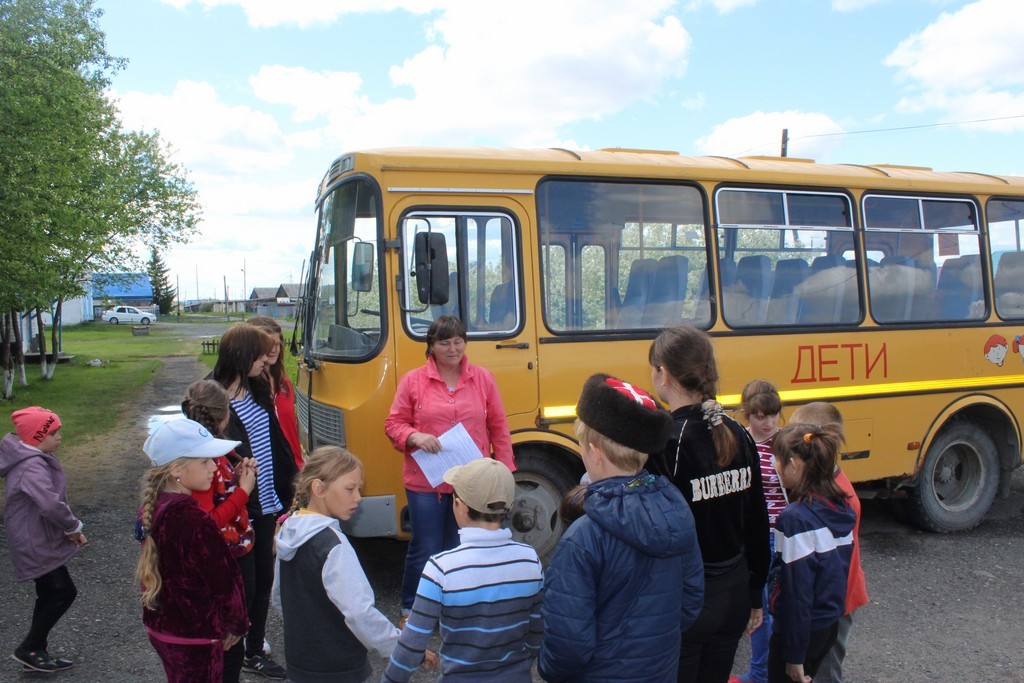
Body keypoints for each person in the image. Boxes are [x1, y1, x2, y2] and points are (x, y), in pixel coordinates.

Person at [539, 373, 704, 682]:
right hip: (660, 670)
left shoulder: (582, 537)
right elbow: (691, 600)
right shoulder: (677, 512)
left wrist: (548, 670)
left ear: (595, 452)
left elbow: (568, 643)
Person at [647, 325, 771, 683]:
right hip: (735, 592)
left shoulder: (667, 442)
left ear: (663, 373)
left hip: (689, 599)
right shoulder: (738, 431)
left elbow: (656, 532)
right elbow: (757, 521)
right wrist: (755, 595)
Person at [384, 315, 516, 619]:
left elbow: (499, 427)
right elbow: (393, 424)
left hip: (471, 483)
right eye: (445, 342)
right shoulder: (413, 380)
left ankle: (455, 606)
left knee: (463, 545)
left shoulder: (483, 378)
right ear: (431, 346)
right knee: (426, 545)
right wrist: (414, 436)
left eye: (458, 341)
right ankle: (413, 608)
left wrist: (505, 471)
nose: (453, 348)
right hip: (425, 482)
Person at [384, 458, 542, 682]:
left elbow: (411, 645)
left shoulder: (441, 568)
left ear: (460, 506)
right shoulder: (530, 560)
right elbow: (536, 631)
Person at [272, 446, 407, 682]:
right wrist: (400, 647)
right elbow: (359, 612)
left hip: (301, 662)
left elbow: (278, 597)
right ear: (318, 488)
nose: (358, 497)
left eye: (359, 489)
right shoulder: (334, 545)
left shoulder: (288, 530)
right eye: (350, 489)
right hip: (339, 667)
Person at [213, 324, 297, 679]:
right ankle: (226, 648)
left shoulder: (258, 386)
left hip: (265, 500)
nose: (267, 360)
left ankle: (254, 650)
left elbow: (275, 439)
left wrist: (292, 482)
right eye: (261, 354)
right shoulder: (211, 396)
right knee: (240, 585)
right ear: (243, 354)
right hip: (236, 505)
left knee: (263, 580)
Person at [137, 419, 249, 683]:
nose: (214, 467)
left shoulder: (153, 507)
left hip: (163, 628)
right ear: (176, 469)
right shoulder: (194, 521)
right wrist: (238, 624)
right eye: (205, 461)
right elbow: (225, 581)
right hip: (196, 636)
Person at [765, 423, 855, 683]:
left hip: (799, 633)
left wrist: (794, 655)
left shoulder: (795, 519)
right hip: (827, 624)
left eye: (778, 460)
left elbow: (797, 593)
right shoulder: (840, 506)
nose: (775, 467)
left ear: (794, 464)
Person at [181, 379, 258, 683]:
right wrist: (243, 491)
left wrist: (234, 477)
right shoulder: (203, 461)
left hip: (231, 557)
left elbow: (216, 494)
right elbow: (208, 524)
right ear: (224, 416)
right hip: (226, 560)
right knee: (230, 651)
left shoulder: (210, 455)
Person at [0, 407, 85, 674]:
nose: (59, 437)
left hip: (36, 536)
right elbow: (50, 503)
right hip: (33, 540)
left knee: (49, 592)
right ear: (36, 437)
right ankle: (29, 647)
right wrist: (72, 527)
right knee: (62, 591)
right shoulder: (30, 466)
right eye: (53, 432)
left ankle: (35, 650)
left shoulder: (32, 458)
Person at [787, 403, 868, 683]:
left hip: (834, 603)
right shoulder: (830, 485)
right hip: (835, 597)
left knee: (826, 671)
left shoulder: (835, 500)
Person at [733, 380, 786, 683]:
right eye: (760, 417)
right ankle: (761, 671)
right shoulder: (740, 442)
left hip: (783, 534)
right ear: (747, 414)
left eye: (773, 415)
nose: (769, 423)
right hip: (755, 535)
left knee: (777, 606)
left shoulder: (785, 442)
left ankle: (768, 671)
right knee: (760, 607)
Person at [246, 316, 303, 469]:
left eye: (277, 344)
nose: (273, 350)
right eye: (268, 345)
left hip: (293, 465)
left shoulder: (284, 384)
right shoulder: (245, 390)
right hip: (266, 469)